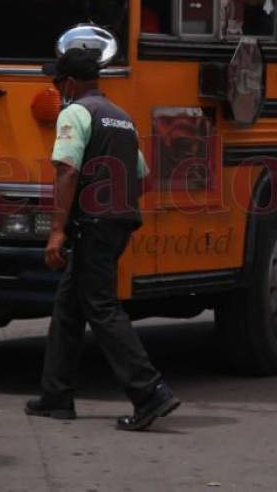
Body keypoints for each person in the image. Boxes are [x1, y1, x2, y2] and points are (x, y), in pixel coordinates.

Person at [25, 47, 180, 431]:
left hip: (93, 223)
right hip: (116, 221)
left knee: (101, 307)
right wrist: (114, 202)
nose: (56, 88)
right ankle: (56, 396)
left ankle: (149, 392)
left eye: (57, 82)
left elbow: (66, 172)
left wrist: (57, 230)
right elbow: (142, 177)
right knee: (68, 308)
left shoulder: (76, 112)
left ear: (71, 83)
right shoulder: (121, 117)